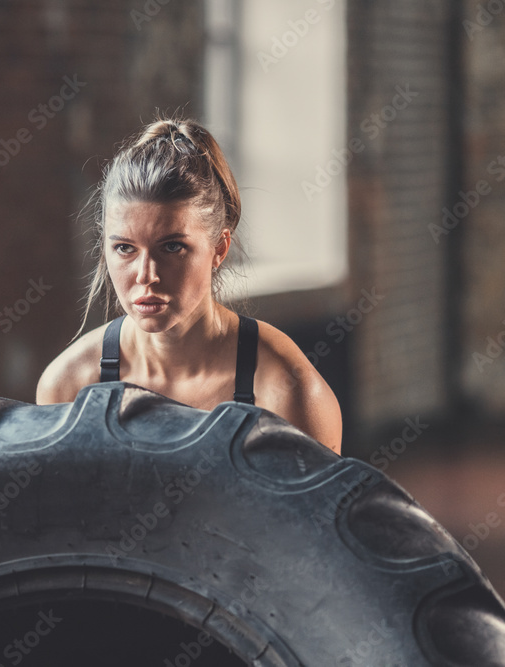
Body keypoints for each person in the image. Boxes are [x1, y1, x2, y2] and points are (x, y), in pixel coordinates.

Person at [36, 118, 342, 454]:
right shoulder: (69, 385)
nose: (146, 275)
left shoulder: (285, 389)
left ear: (220, 249)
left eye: (172, 247)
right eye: (124, 248)